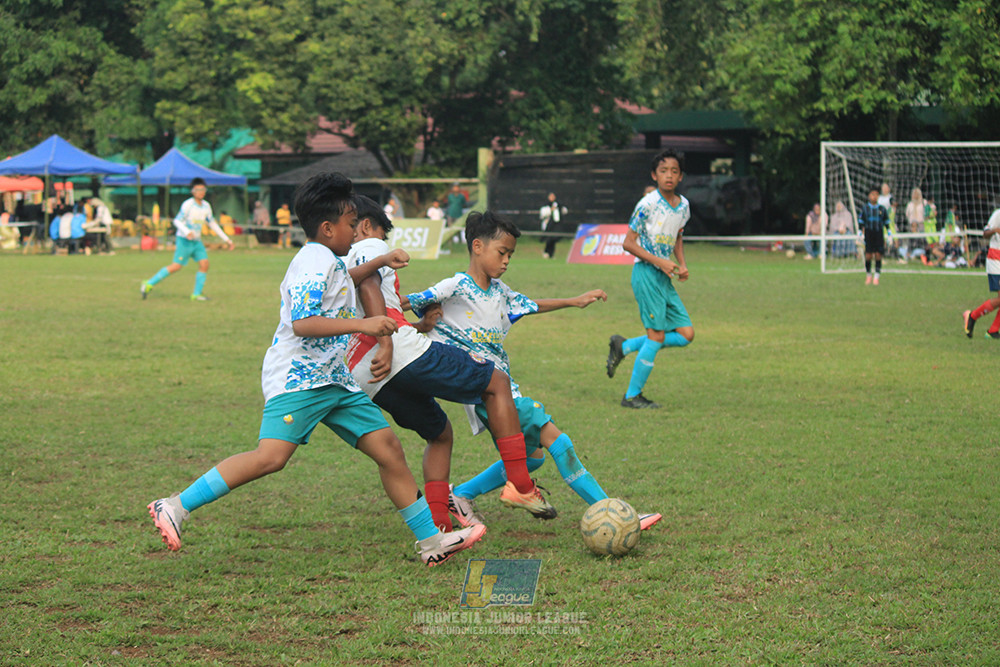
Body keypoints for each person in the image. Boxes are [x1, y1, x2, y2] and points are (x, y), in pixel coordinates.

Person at [146, 172, 486, 567]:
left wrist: (379, 259)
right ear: (327, 228)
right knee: (271, 457)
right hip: (300, 379)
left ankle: (432, 542)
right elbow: (303, 323)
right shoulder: (312, 261)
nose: (354, 230)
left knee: (389, 449)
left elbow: (346, 280)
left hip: (335, 380)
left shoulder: (330, 259)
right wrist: (365, 325)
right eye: (348, 223)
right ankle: (174, 506)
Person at [405, 210, 662, 530]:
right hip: (486, 392)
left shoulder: (499, 291)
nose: (507, 261)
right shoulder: (456, 285)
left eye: (510, 254)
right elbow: (409, 300)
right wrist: (401, 320)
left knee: (535, 457)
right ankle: (612, 512)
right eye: (502, 252)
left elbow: (531, 304)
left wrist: (575, 300)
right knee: (559, 441)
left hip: (505, 392)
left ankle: (461, 495)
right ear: (477, 247)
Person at [344, 196, 557, 530]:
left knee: (440, 434)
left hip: (365, 370)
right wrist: (387, 341)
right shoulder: (369, 244)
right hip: (395, 350)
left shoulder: (349, 256)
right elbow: (370, 287)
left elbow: (378, 301)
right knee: (496, 381)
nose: (348, 234)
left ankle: (441, 527)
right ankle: (521, 484)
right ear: (368, 227)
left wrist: (419, 326)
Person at [606, 149, 694, 409]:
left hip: (664, 275)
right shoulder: (647, 204)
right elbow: (628, 243)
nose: (669, 175)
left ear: (681, 176)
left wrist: (682, 264)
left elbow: (678, 235)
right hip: (646, 273)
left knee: (686, 334)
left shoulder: (684, 206)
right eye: (663, 171)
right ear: (654, 175)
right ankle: (632, 396)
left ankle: (625, 346)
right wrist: (660, 262)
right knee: (656, 336)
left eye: (674, 171)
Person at [140, 178, 234, 301]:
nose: (201, 192)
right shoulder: (188, 205)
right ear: (193, 191)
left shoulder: (206, 206)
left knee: (204, 264)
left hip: (196, 242)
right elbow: (177, 221)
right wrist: (187, 231)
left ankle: (196, 294)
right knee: (176, 266)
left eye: (203, 189)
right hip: (184, 241)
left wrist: (227, 239)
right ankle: (148, 284)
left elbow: (212, 224)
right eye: (198, 189)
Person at [963, 199, 1000, 340]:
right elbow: (985, 233)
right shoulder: (998, 214)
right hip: (996, 259)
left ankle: (993, 331)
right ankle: (972, 316)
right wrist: (995, 230)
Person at [858, 186, 890, 285]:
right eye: (872, 194)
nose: (874, 196)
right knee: (868, 255)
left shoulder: (882, 209)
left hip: (879, 233)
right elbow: (861, 222)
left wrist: (889, 232)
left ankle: (876, 276)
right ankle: (868, 275)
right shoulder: (865, 209)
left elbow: (886, 222)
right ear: (869, 196)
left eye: (876, 194)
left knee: (878, 255)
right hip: (869, 233)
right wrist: (860, 232)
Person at [539, 192, 567, 259]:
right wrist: (551, 209)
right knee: (549, 239)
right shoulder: (546, 205)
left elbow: (564, 211)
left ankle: (551, 253)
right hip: (548, 225)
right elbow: (543, 214)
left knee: (553, 239)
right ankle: (546, 252)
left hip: (556, 225)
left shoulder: (558, 204)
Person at [905, 187, 926, 261]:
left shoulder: (923, 203)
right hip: (912, 226)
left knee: (921, 241)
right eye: (914, 194)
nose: (915, 195)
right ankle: (909, 253)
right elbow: (907, 214)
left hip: (921, 225)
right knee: (911, 241)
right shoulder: (910, 204)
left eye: (917, 194)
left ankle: (921, 254)